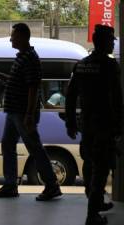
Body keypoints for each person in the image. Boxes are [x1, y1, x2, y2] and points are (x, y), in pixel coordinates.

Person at [0, 23, 62, 201]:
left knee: (35, 148)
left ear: (22, 37)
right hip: (14, 111)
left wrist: (30, 114)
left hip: (23, 113)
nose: (10, 39)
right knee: (7, 145)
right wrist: (2, 76)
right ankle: (10, 185)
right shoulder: (23, 57)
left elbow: (33, 87)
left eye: (13, 36)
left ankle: (52, 185)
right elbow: (22, 82)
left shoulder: (30, 58)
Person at [65, 24, 122, 225]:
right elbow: (117, 98)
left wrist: (70, 122)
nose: (113, 43)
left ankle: (95, 202)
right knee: (101, 168)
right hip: (104, 124)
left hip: (86, 124)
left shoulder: (80, 65)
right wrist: (120, 126)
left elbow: (70, 96)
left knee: (89, 164)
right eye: (111, 40)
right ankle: (92, 215)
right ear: (104, 42)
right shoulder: (110, 66)